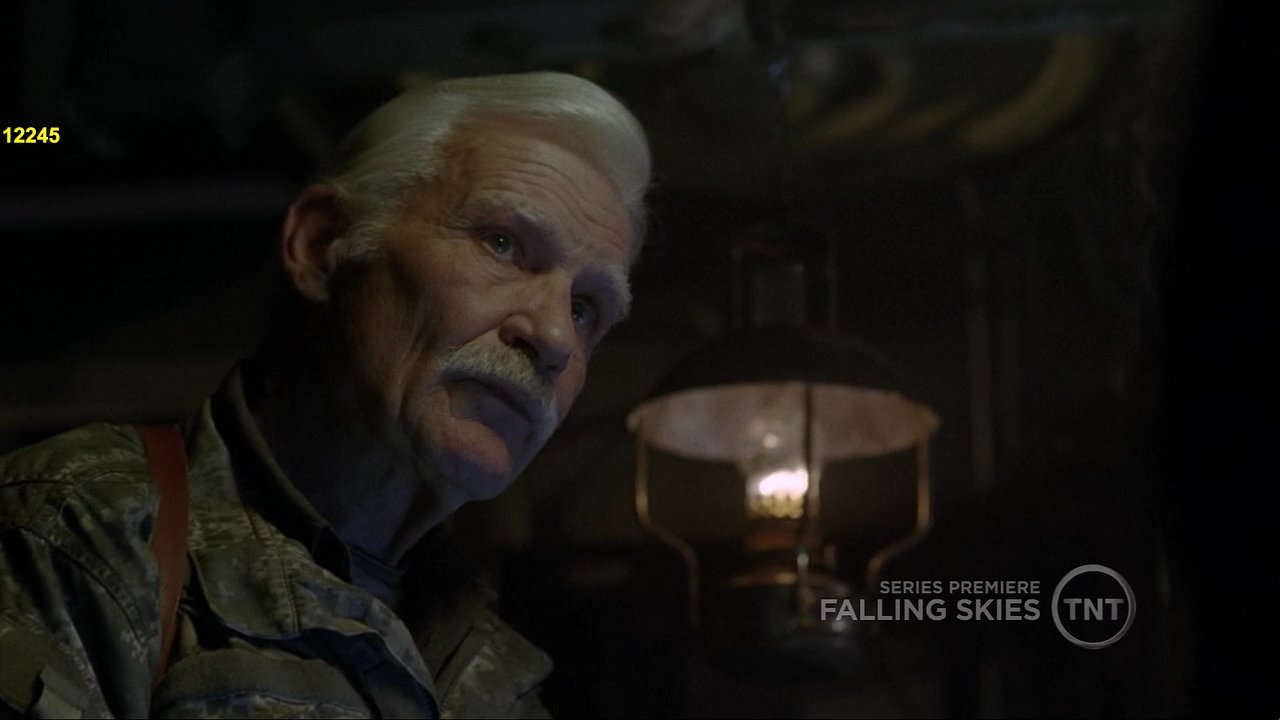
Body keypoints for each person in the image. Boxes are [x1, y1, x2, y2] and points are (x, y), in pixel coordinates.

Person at [0, 71, 650, 718]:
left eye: (586, 308)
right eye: (502, 244)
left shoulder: (499, 680)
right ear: (318, 246)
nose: (556, 337)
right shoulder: (82, 532)